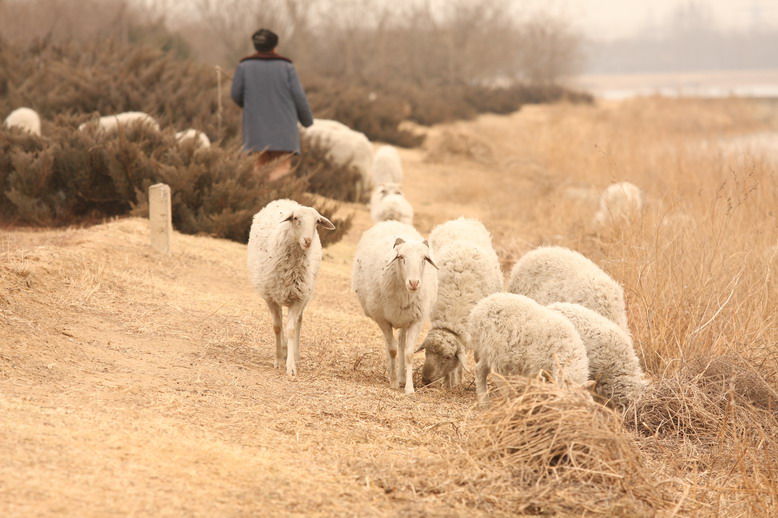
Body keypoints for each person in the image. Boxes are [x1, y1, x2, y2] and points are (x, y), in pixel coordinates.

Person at [230, 28, 313, 181]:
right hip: (284, 131)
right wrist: (307, 121)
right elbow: (299, 96)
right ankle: (278, 201)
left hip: (255, 129)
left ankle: (262, 202)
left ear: (255, 46)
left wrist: (250, 106)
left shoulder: (244, 66)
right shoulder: (287, 67)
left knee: (258, 170)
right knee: (281, 170)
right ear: (275, 46)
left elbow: (235, 95)